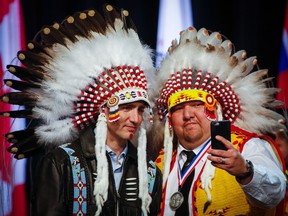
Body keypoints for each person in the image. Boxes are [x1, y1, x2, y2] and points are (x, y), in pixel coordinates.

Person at [0, 5, 162, 216]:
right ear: (103, 109)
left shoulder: (149, 173)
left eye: (141, 110)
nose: (135, 118)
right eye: (126, 108)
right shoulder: (61, 163)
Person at [151, 27, 287, 215]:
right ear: (169, 118)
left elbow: (275, 193)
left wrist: (246, 172)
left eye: (197, 104)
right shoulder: (158, 162)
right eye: (178, 108)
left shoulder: (246, 147)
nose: (188, 114)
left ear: (217, 110)